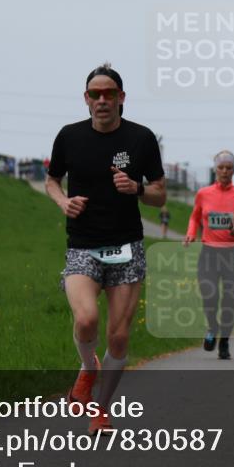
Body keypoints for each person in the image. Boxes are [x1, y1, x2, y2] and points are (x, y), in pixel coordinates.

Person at [46, 62, 166, 435]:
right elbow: (51, 181)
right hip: (82, 244)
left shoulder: (141, 139)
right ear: (86, 100)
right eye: (95, 94)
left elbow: (159, 194)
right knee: (85, 320)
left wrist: (139, 190)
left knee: (118, 335)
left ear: (121, 98)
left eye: (109, 94)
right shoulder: (69, 136)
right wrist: (64, 202)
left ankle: (101, 409)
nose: (102, 100)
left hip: (126, 245)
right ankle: (88, 367)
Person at [183, 151, 234, 359]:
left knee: (229, 301)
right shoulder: (204, 194)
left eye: (229, 168)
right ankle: (212, 329)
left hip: (233, 254)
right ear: (216, 169)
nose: (225, 171)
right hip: (209, 253)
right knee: (210, 296)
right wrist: (190, 234)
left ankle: (224, 343)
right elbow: (195, 218)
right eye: (221, 167)